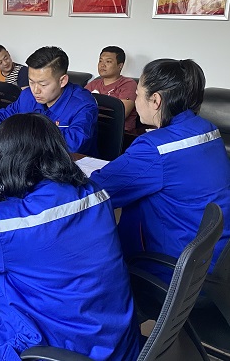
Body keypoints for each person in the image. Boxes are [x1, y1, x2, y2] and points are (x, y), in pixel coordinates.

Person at [0, 113, 140, 361]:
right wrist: (3, 207)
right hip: (116, 344)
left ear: (4, 161)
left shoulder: (6, 226)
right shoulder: (96, 194)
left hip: (55, 350)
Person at [91, 58, 230, 271]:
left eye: (137, 94)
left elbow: (98, 191)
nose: (135, 100)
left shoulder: (156, 148)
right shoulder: (207, 129)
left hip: (175, 267)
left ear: (155, 100)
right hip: (214, 257)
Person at [0, 46, 98, 156]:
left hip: (70, 164)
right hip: (29, 160)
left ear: (62, 81)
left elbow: (74, 144)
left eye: (43, 84)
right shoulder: (28, 96)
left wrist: (25, 135)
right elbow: (5, 115)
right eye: (31, 82)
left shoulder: (83, 104)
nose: (35, 90)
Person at [85, 46, 137, 132]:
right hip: (93, 129)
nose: (102, 65)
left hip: (119, 133)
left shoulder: (128, 84)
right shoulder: (93, 84)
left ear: (120, 66)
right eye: (100, 61)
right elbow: (77, 106)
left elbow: (120, 114)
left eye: (108, 61)